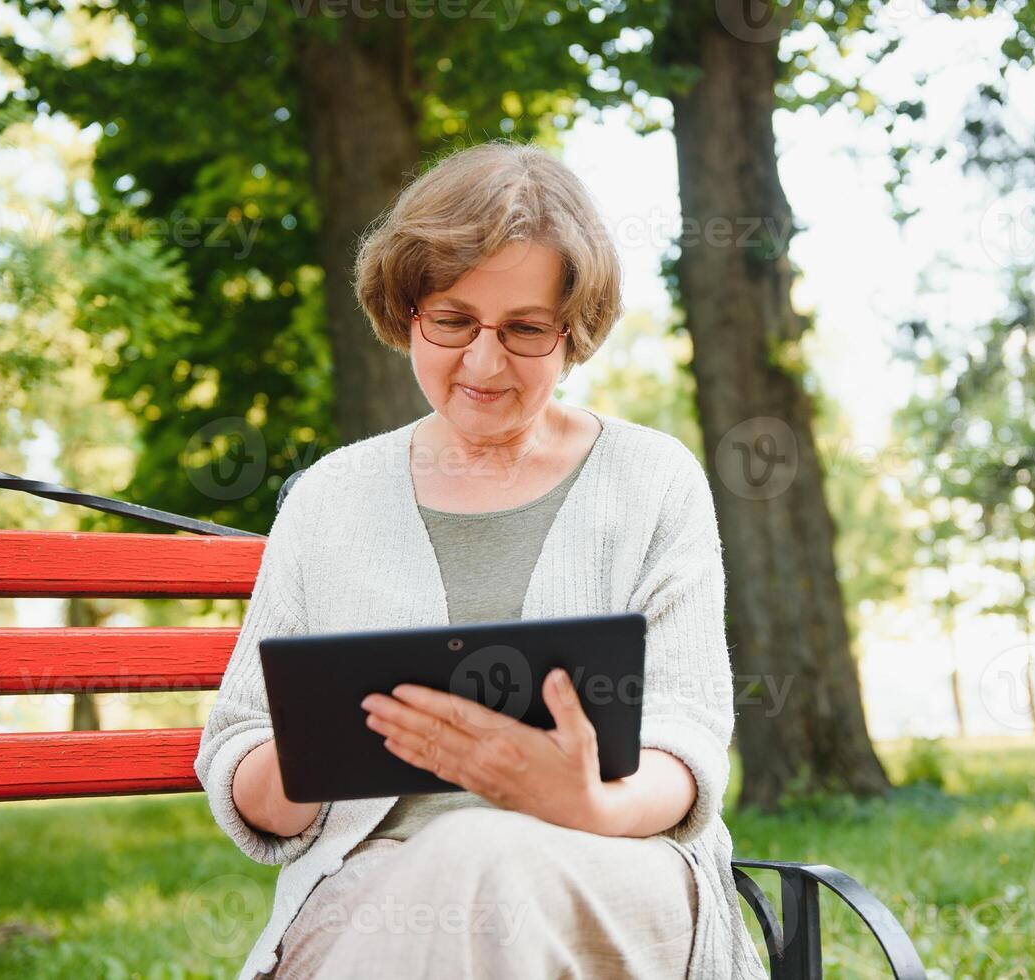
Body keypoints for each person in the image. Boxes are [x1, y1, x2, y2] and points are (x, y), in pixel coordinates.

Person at [193, 140, 769, 980]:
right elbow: (240, 747)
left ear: (573, 334)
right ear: (408, 310)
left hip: (611, 867)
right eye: (453, 321)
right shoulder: (329, 497)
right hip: (374, 890)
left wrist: (589, 800)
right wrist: (309, 756)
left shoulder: (652, 480)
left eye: (526, 330)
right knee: (463, 870)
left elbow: (686, 741)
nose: (484, 363)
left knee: (484, 856)